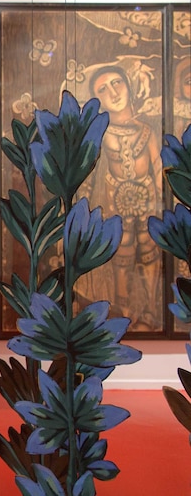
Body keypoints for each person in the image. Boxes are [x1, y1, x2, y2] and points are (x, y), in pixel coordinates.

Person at [80, 65, 162, 329]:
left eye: (117, 83)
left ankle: (150, 310)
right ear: (96, 99)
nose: (113, 92)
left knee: (149, 251)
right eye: (102, 89)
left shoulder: (147, 131)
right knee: (121, 253)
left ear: (129, 85)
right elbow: (87, 177)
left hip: (147, 201)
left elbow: (158, 166)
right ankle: (123, 308)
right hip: (116, 203)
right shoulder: (100, 135)